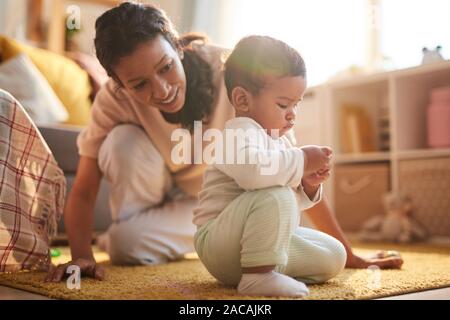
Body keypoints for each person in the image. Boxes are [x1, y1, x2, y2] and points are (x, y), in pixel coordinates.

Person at [45, 2, 403, 283]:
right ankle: (135, 237)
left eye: (166, 67)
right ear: (120, 86)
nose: (162, 90)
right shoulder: (113, 99)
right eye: (139, 85)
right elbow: (86, 189)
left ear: (178, 47)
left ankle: (138, 241)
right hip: (154, 194)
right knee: (120, 145)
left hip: (218, 205)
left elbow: (292, 165)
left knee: (126, 245)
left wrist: (349, 253)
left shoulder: (237, 75)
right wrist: (81, 258)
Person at [193, 35, 347, 297]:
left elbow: (283, 210)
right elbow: (256, 176)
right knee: (276, 192)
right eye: (283, 104)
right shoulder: (236, 134)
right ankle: (258, 278)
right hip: (219, 245)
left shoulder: (283, 138)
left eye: (296, 104)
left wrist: (307, 185)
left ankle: (269, 269)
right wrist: (303, 160)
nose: (292, 114)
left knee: (334, 254)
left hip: (252, 246)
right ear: (242, 100)